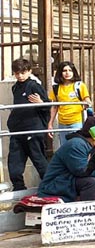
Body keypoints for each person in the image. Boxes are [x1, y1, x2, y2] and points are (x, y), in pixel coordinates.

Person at [37, 117, 95, 202]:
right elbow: (83, 170)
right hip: (55, 185)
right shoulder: (76, 145)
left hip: (68, 181)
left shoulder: (87, 145)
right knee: (90, 182)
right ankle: (86, 212)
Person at [8, 58, 50, 192]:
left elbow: (47, 105)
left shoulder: (33, 85)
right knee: (14, 164)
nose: (20, 75)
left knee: (39, 160)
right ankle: (18, 188)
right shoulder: (15, 87)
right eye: (17, 73)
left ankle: (51, 186)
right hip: (17, 131)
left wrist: (41, 103)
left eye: (23, 72)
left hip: (33, 130)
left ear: (29, 71)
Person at [49, 60, 91, 151]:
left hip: (76, 121)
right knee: (64, 148)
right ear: (60, 72)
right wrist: (50, 123)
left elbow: (87, 101)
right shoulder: (56, 88)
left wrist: (81, 107)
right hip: (62, 122)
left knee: (75, 147)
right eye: (64, 70)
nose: (67, 73)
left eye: (70, 70)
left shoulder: (80, 85)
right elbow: (54, 106)